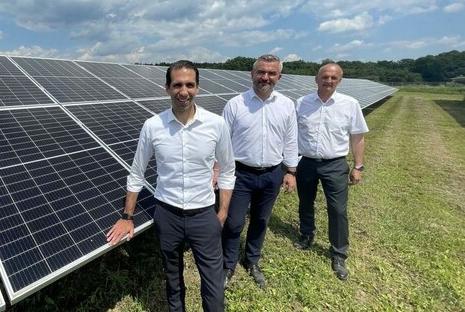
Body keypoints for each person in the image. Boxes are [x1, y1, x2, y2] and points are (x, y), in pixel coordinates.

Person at [106, 60, 236, 312]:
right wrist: (127, 216)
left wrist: (222, 212)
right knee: (173, 279)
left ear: (198, 88)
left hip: (204, 215)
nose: (183, 91)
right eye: (177, 85)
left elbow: (228, 170)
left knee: (212, 282)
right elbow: (136, 173)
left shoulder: (216, 124)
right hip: (167, 215)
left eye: (189, 85)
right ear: (167, 88)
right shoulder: (153, 126)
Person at [220, 54, 298, 288]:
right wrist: (218, 169)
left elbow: (291, 139)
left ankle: (252, 260)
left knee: (261, 220)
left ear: (279, 76)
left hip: (272, 174)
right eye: (261, 72)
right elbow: (222, 142)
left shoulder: (286, 105)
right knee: (233, 223)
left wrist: (291, 172)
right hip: (239, 174)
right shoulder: (235, 104)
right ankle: (228, 264)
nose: (265, 77)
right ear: (252, 74)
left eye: (271, 73)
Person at [293, 62, 368, 280]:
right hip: (306, 161)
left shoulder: (350, 104)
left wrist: (358, 166)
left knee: (337, 209)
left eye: (333, 78)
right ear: (316, 79)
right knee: (305, 201)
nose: (328, 81)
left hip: (335, 164)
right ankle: (306, 235)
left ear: (339, 81)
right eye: (325, 77)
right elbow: (291, 133)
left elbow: (357, 137)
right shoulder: (302, 103)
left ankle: (338, 253)